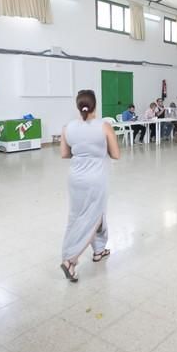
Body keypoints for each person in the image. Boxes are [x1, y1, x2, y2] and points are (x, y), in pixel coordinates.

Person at [59, 90, 120, 282]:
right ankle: (70, 259)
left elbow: (64, 154)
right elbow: (116, 154)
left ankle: (99, 250)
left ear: (79, 106)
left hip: (76, 179)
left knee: (81, 216)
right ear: (95, 105)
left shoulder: (67, 127)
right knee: (91, 218)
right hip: (96, 180)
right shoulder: (105, 126)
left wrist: (82, 152)